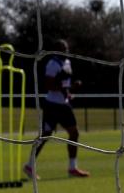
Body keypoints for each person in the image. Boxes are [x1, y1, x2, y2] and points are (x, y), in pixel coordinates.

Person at [24, 38, 89, 179]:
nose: (66, 51)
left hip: (62, 103)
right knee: (49, 134)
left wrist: (69, 93)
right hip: (53, 105)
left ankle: (72, 168)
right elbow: (49, 86)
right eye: (62, 49)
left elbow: (64, 84)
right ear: (56, 51)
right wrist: (70, 88)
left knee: (70, 133)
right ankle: (30, 166)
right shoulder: (52, 64)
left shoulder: (67, 62)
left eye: (66, 49)